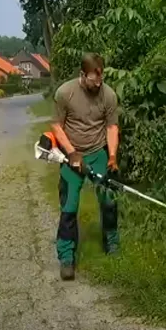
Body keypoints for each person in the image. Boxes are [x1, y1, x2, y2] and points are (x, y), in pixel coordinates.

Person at [50, 52, 120, 281]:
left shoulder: (108, 95)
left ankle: (112, 246)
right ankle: (67, 258)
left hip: (97, 153)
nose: (98, 84)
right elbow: (57, 127)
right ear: (82, 75)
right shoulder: (65, 93)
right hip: (72, 155)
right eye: (93, 80)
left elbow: (111, 129)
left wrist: (111, 156)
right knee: (69, 207)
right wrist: (71, 152)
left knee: (109, 201)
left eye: (100, 80)